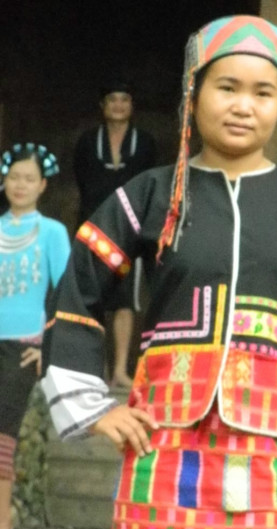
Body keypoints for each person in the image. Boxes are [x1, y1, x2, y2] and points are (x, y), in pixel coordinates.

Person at [41, 15, 277, 529]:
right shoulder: (150, 195)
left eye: (263, 93)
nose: (243, 106)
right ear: (193, 94)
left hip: (276, 439)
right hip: (165, 435)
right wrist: (92, 404)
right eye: (227, 88)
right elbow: (79, 287)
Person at [0, 143, 70, 529]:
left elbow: (66, 293)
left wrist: (49, 346)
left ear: (43, 185)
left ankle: (2, 521)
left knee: (3, 430)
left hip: (23, 346)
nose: (20, 185)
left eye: (29, 179)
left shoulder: (52, 233)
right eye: (14, 177)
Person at [73, 80, 157, 387]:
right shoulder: (87, 142)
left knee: (124, 301)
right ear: (102, 106)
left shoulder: (144, 142)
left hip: (132, 230)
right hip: (95, 228)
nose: (118, 105)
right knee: (94, 299)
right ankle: (99, 369)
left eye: (124, 100)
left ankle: (120, 370)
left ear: (131, 106)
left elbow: (149, 184)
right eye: (112, 100)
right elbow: (82, 182)